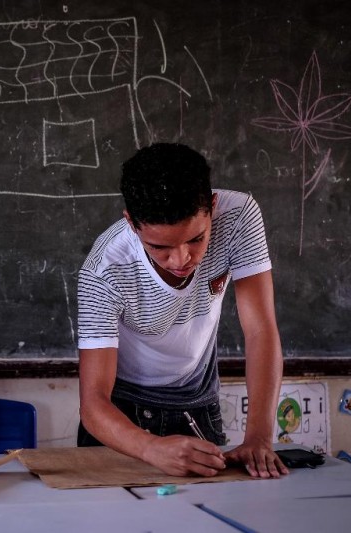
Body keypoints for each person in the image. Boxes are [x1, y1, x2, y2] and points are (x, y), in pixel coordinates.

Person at [76, 143, 288, 479]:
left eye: (196, 239)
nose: (181, 260)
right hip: (122, 417)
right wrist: (147, 446)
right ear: (131, 222)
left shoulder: (239, 216)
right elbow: (93, 404)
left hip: (198, 404)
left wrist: (259, 437)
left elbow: (260, 330)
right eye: (159, 247)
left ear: (212, 207)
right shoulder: (104, 270)